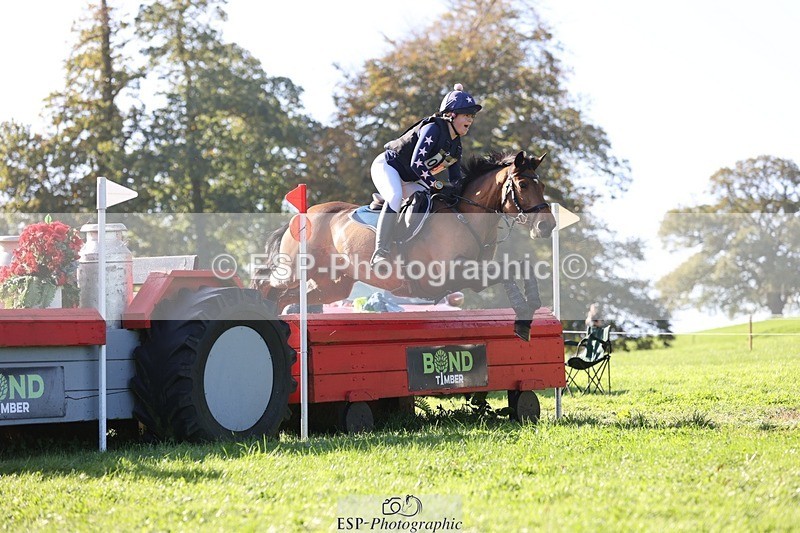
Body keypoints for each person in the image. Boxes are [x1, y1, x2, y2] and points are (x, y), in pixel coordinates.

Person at [369, 83, 482, 265]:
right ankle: (380, 252)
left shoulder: (456, 146)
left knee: (429, 202)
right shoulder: (434, 129)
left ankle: (407, 247)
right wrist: (436, 185)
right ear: (451, 115)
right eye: (467, 115)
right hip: (388, 166)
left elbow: (455, 179)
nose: (470, 120)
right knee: (395, 196)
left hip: (411, 177)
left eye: (472, 116)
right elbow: (416, 163)